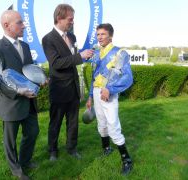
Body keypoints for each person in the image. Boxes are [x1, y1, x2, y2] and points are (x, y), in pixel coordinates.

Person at [0, 10, 39, 180]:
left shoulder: (25, 46)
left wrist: (41, 79)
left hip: (29, 102)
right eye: (20, 22)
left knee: (33, 132)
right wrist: (17, 91)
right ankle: (17, 170)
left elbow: (30, 72)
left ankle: (25, 160)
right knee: (10, 142)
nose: (24, 25)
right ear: (7, 25)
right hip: (11, 104)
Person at [42, 4, 94, 161]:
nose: (72, 22)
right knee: (55, 122)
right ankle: (52, 151)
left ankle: (72, 148)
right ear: (59, 18)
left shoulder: (72, 37)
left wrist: (85, 56)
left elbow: (71, 60)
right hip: (59, 89)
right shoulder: (48, 39)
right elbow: (56, 63)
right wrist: (80, 57)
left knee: (73, 123)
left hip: (73, 88)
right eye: (70, 19)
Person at [86, 23, 133, 175]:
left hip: (109, 94)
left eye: (103, 34)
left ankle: (126, 160)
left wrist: (110, 89)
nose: (99, 37)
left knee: (113, 125)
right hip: (97, 92)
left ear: (110, 36)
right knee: (101, 123)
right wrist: (90, 96)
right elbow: (94, 77)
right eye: (98, 34)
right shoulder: (96, 53)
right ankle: (106, 149)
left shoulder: (120, 53)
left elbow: (128, 77)